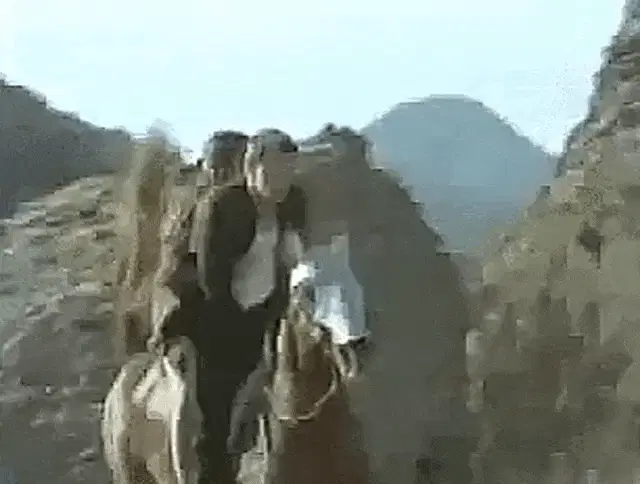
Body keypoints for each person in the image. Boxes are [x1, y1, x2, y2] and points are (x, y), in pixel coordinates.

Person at [159, 128, 308, 484]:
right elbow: (212, 280)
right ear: (252, 167)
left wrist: (275, 317)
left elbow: (290, 262)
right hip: (218, 322)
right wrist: (243, 331)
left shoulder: (293, 203)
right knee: (216, 417)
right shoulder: (221, 206)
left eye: (289, 170)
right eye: (274, 170)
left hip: (269, 316)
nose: (282, 180)